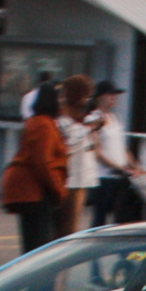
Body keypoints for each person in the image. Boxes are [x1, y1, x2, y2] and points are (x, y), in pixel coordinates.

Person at [2, 81, 70, 253]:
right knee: (38, 246)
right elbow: (42, 161)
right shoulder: (43, 124)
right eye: (60, 98)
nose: (63, 102)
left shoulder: (39, 122)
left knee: (34, 243)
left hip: (30, 190)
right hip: (34, 191)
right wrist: (58, 190)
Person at [87, 81, 139, 228]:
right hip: (103, 175)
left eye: (114, 96)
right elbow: (97, 152)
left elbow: (123, 147)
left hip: (120, 174)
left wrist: (134, 166)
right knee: (100, 217)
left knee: (121, 216)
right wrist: (117, 167)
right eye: (109, 95)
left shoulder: (115, 118)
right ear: (99, 97)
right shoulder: (93, 119)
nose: (113, 98)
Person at [59, 75, 98, 236]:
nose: (86, 100)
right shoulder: (62, 115)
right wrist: (90, 128)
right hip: (70, 177)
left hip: (82, 176)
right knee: (67, 226)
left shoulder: (79, 114)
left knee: (74, 222)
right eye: (84, 96)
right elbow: (70, 141)